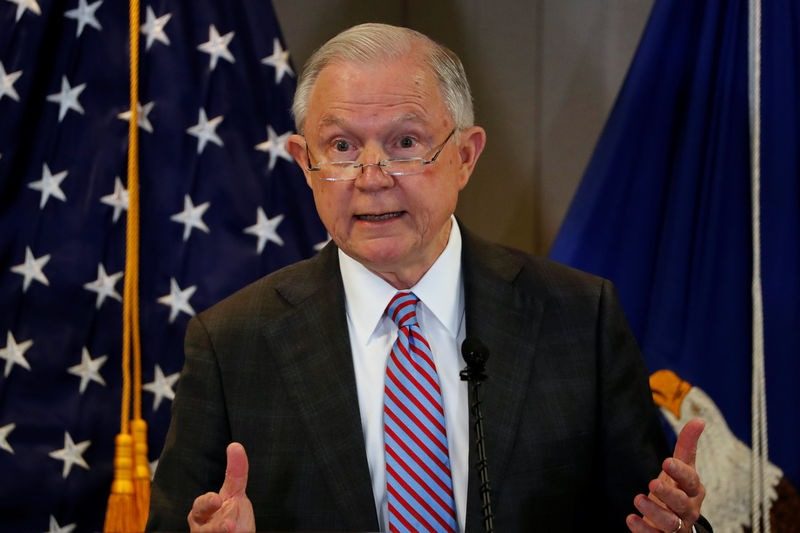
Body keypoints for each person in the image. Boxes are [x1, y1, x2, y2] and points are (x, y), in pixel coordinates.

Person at [147, 23, 711, 533]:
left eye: (406, 144)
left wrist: (676, 530)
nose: (372, 177)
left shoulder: (578, 318)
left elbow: (651, 515)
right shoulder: (232, 344)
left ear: (465, 156)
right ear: (304, 161)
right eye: (341, 147)